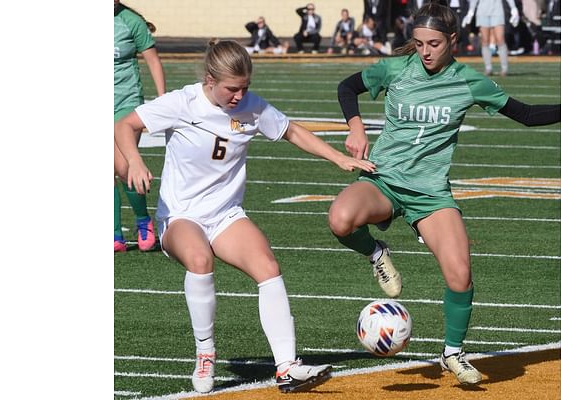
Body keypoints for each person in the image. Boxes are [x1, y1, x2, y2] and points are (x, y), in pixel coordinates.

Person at [115, 39, 375, 393]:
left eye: (245, 88)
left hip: (225, 215)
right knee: (199, 259)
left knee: (267, 268)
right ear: (210, 80)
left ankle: (287, 366)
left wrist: (339, 159)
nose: (239, 96)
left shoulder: (251, 107)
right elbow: (125, 126)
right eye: (231, 89)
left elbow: (292, 131)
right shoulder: (183, 102)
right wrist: (134, 160)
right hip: (181, 216)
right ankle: (205, 353)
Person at [329, 2, 559, 385]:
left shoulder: (470, 81)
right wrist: (355, 126)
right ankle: (376, 252)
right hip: (383, 180)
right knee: (339, 219)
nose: (426, 52)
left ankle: (452, 353)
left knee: (460, 274)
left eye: (434, 43)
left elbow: (527, 114)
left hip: (431, 193)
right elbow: (348, 86)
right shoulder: (396, 68)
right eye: (418, 43)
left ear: (452, 40)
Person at [114, 0, 166, 252]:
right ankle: (115, 234)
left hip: (126, 101)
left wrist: (164, 101)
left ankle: (143, 220)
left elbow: (153, 61)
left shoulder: (130, 21)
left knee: (124, 166)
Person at [463, 0, 519, 76]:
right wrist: (470, 11)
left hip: (497, 10)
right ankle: (488, 68)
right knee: (485, 41)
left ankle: (504, 68)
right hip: (482, 11)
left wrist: (513, 8)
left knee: (500, 39)